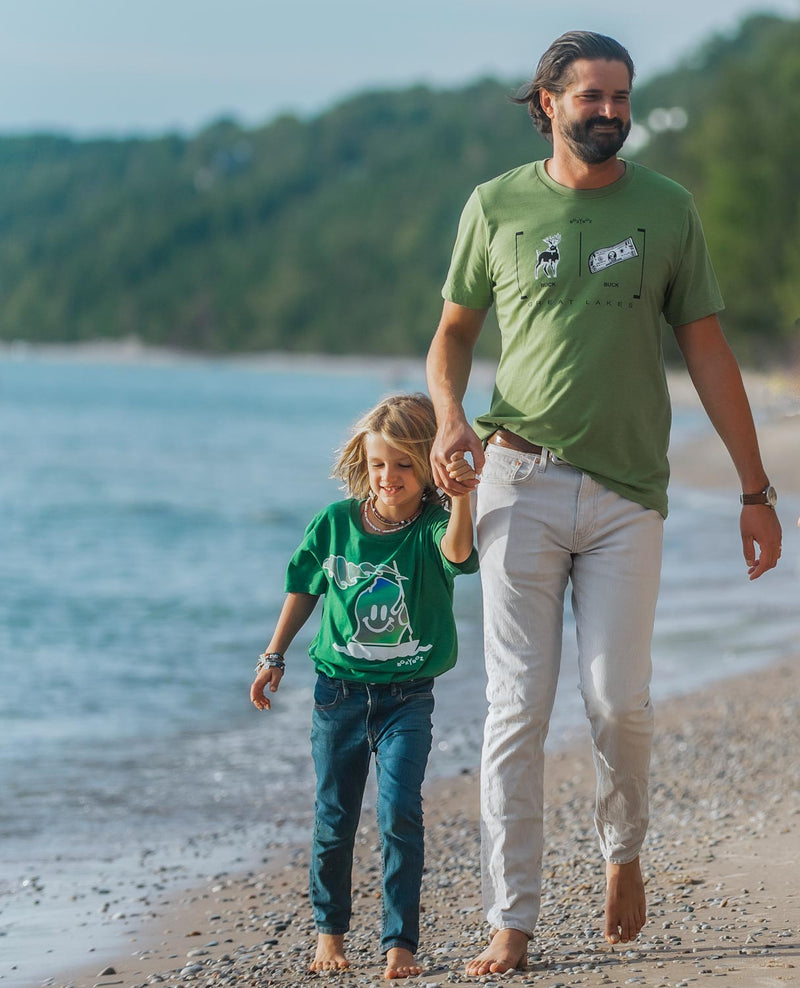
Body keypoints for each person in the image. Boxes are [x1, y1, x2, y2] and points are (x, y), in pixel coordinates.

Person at [425, 30, 783, 977]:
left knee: (618, 703)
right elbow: (453, 333)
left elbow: (706, 349)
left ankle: (622, 853)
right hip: (517, 480)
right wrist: (449, 419)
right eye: (592, 98)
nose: (611, 113)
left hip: (629, 494)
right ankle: (514, 917)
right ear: (549, 100)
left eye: (622, 98)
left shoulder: (667, 208)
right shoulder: (496, 205)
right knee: (516, 713)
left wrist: (755, 489)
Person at [250, 392, 478, 980]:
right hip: (338, 695)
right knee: (335, 817)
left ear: (426, 466)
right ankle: (331, 932)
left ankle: (400, 942)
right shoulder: (334, 524)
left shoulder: (432, 525)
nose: (389, 476)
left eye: (404, 464)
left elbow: (459, 553)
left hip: (408, 697)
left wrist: (462, 498)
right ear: (364, 463)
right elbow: (303, 587)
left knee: (400, 810)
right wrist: (274, 654)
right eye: (379, 463)